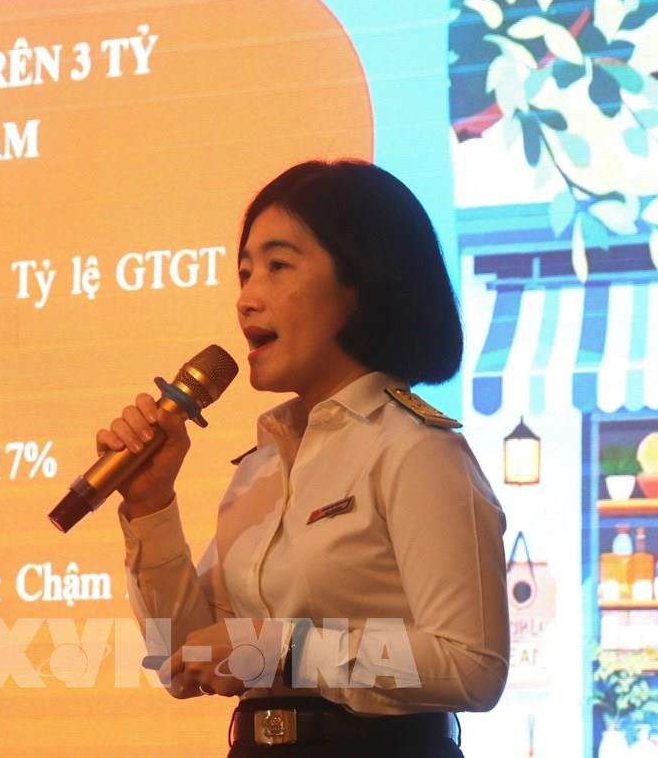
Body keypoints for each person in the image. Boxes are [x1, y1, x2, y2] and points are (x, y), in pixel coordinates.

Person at [97, 160, 509, 757]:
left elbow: (472, 664)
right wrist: (149, 504)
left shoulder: (414, 448)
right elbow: (181, 657)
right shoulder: (260, 467)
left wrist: (289, 650)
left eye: (277, 266)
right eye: (244, 273)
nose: (246, 300)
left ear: (360, 281)